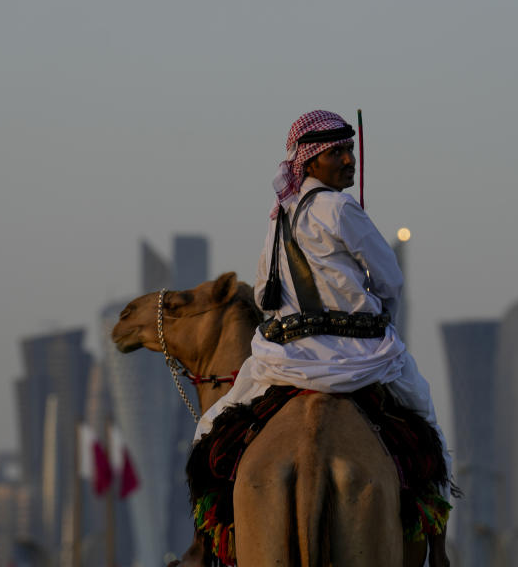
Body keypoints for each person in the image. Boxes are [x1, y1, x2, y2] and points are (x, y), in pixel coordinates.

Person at [192, 109, 452, 562]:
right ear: (308, 162)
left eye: (349, 150)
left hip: (284, 358)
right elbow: (389, 278)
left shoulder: (279, 217)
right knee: (427, 428)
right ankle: (438, 548)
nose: (348, 160)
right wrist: (379, 314)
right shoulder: (342, 208)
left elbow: (261, 291)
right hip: (362, 355)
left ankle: (210, 549)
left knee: (207, 433)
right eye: (337, 153)